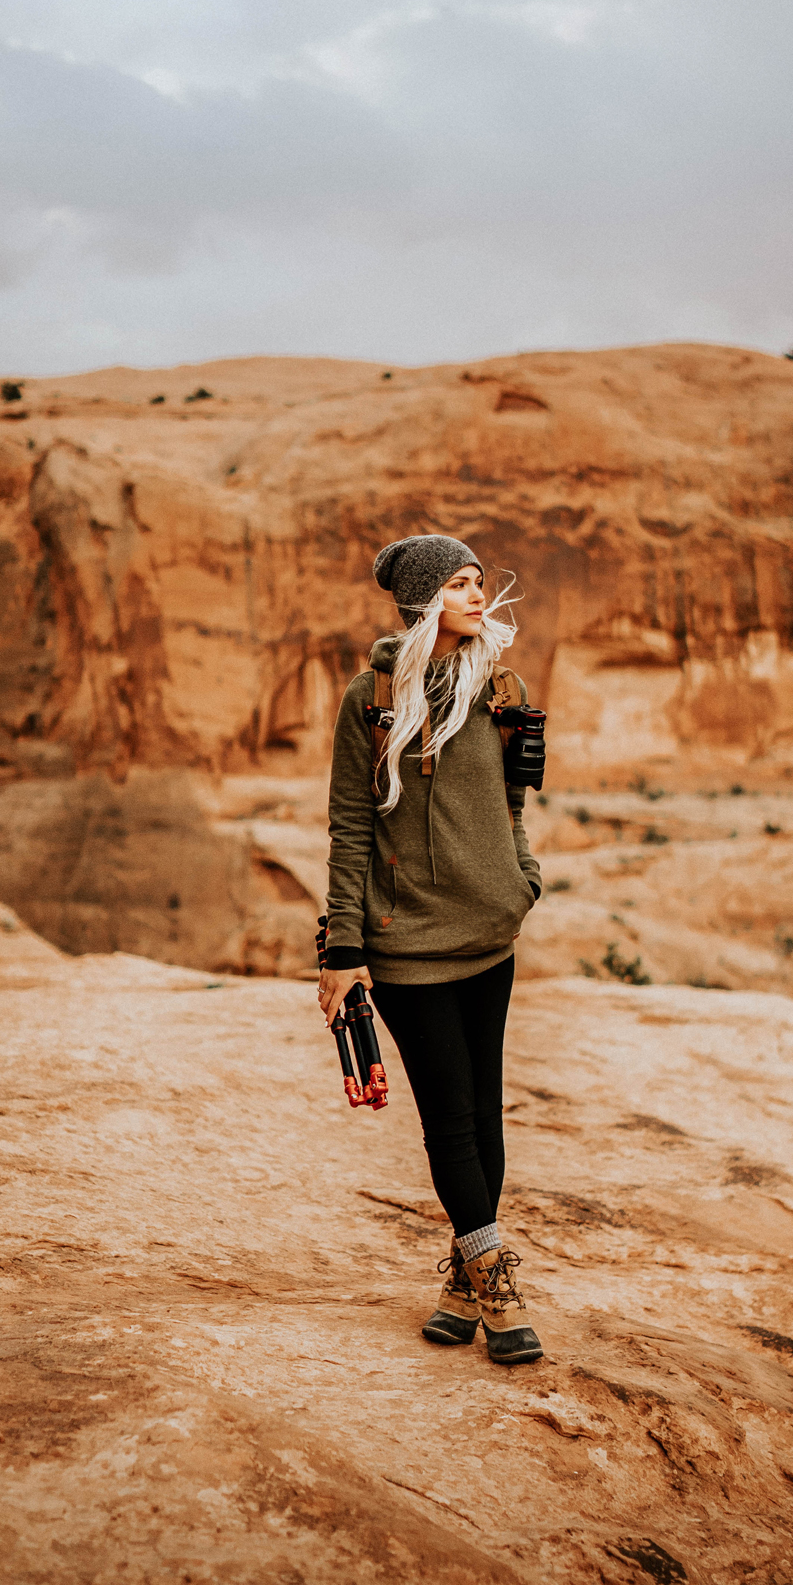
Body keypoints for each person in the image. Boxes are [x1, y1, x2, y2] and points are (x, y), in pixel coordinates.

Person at [318, 534, 545, 1365]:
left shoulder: (501, 685)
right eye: (459, 582)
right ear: (423, 600)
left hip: (491, 932)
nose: (478, 592)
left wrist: (521, 877)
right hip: (406, 942)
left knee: (484, 1112)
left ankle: (460, 1283)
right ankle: (494, 1278)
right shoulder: (369, 698)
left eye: (480, 579)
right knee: (450, 1115)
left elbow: (514, 803)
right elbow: (349, 825)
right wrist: (343, 950)